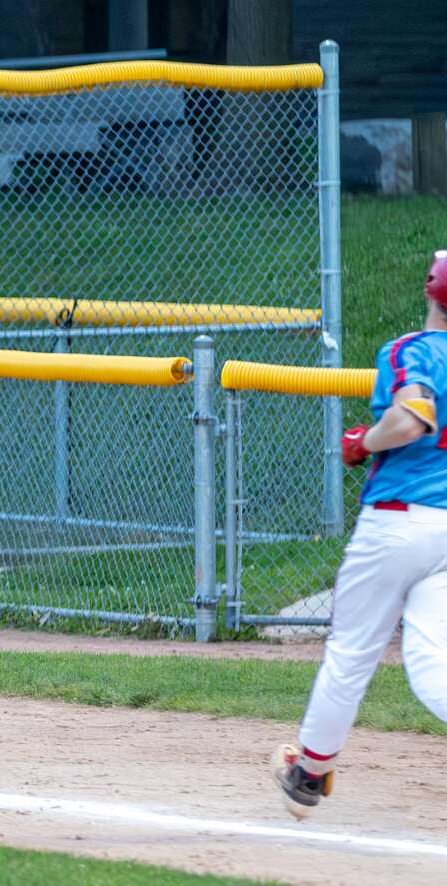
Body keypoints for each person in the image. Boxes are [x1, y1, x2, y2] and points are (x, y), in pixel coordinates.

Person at [272, 250, 447, 817]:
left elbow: (412, 418)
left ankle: (308, 774)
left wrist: (362, 442)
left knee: (351, 653)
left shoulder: (413, 349)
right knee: (434, 661)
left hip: (398, 521)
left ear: (431, 288)